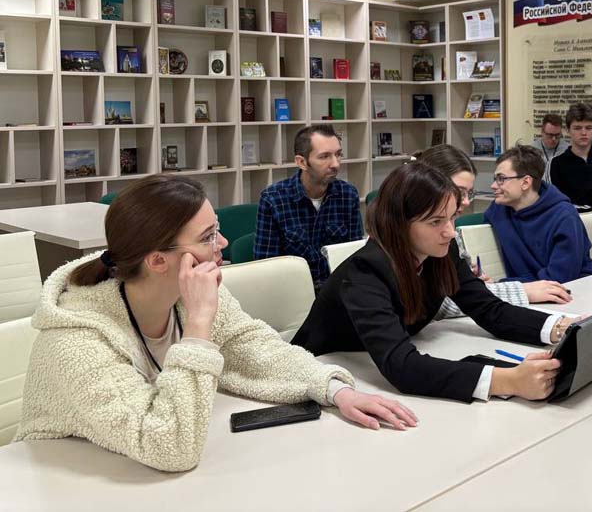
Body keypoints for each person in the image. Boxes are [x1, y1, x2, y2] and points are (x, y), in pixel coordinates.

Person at [16, 175, 415, 473]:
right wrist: (199, 325)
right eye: (208, 236)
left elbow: (254, 346)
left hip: (141, 476)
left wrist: (333, 389)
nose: (222, 244)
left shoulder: (189, 294)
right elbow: (170, 445)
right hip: (62, 483)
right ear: (158, 260)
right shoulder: (77, 339)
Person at [292, 162, 581, 402]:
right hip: (321, 376)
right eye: (435, 222)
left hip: (365, 364)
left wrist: (563, 327)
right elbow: (402, 367)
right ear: (398, 224)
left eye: (451, 218)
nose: (450, 232)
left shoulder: (441, 250)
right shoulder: (366, 271)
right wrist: (508, 380)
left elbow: (489, 309)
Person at [413, 144, 573, 315]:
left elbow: (457, 286)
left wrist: (471, 280)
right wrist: (518, 290)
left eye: (468, 193)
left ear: (526, 182)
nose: (466, 202)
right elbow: (441, 303)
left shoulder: (563, 214)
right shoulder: (496, 211)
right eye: (459, 192)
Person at [254, 124, 362, 288]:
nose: (335, 164)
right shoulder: (273, 199)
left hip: (337, 289)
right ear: (302, 162)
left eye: (338, 154)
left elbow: (355, 257)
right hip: (293, 291)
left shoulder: (348, 194)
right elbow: (266, 266)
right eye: (324, 157)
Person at [484, 144, 592, 283]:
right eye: (495, 179)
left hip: (574, 288)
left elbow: (559, 279)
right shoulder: (497, 209)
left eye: (501, 179)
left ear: (525, 182)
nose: (493, 186)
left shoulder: (564, 217)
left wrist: (502, 286)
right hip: (526, 290)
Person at [531, 113, 569, 183]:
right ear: (542, 132)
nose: (554, 139)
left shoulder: (567, 150)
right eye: (550, 135)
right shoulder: (532, 150)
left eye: (557, 135)